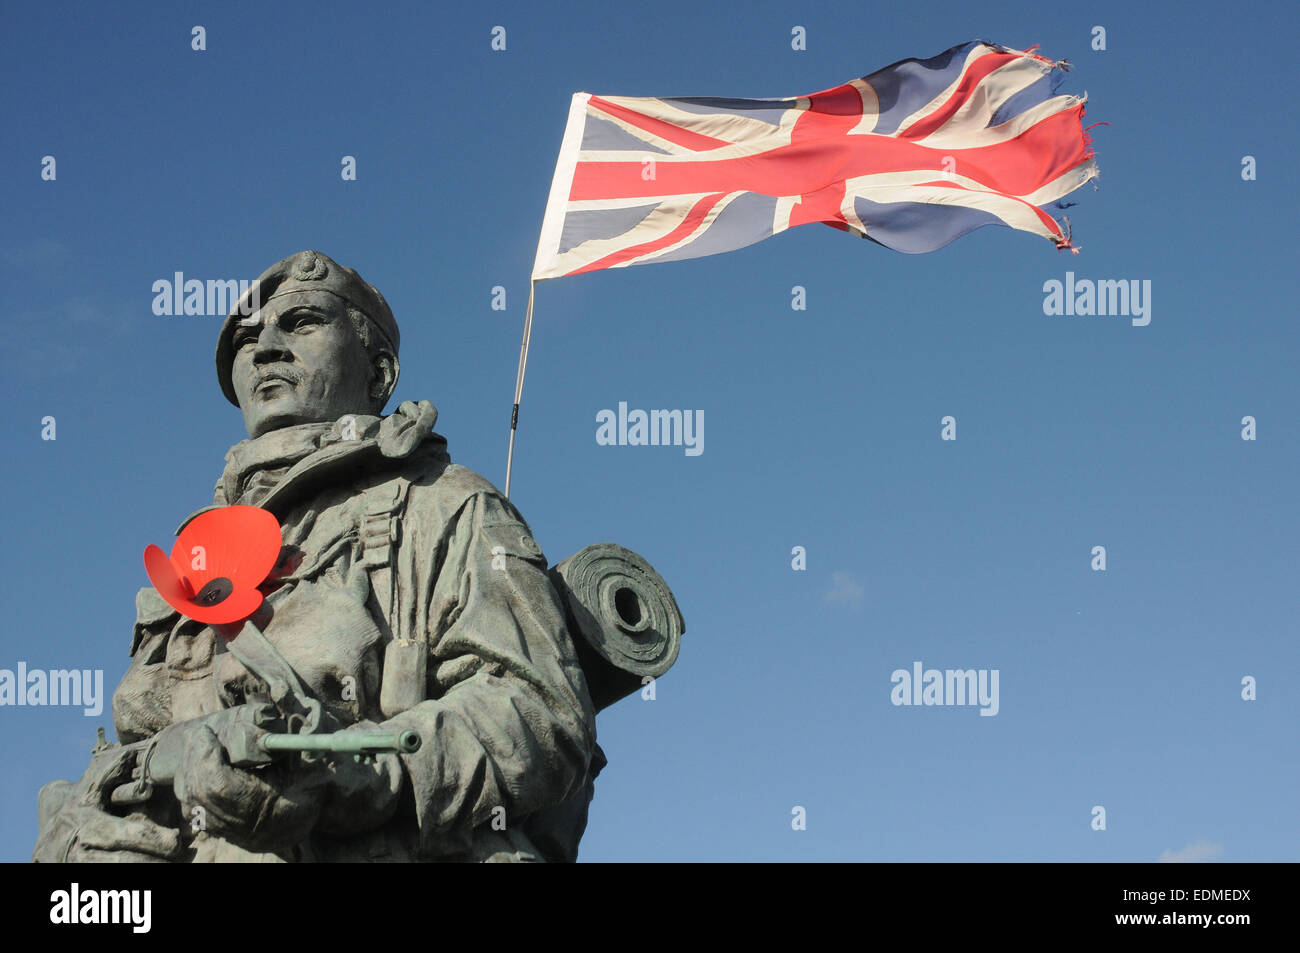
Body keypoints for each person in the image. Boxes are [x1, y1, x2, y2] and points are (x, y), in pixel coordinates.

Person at [33, 250, 599, 862]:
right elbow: (142, 737)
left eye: (301, 323)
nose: (265, 349)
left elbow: (539, 714)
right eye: (247, 338)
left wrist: (350, 771)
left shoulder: (446, 504)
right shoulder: (201, 558)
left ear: (379, 373)